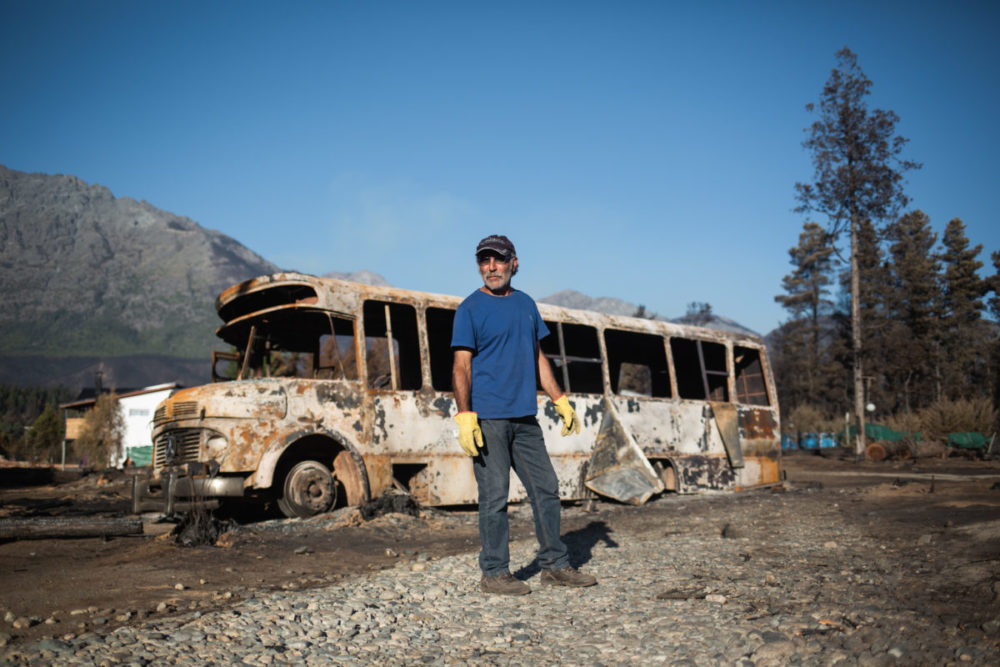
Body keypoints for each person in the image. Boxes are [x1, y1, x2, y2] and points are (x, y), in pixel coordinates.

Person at [451, 234, 598, 595]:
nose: (491, 267)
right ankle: (494, 573)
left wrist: (559, 399)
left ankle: (554, 565)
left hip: (525, 419)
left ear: (514, 263)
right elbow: (461, 366)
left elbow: (536, 357)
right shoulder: (470, 308)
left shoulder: (526, 305)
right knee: (495, 497)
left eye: (498, 260)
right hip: (489, 420)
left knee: (546, 489)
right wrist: (465, 415)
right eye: (484, 261)